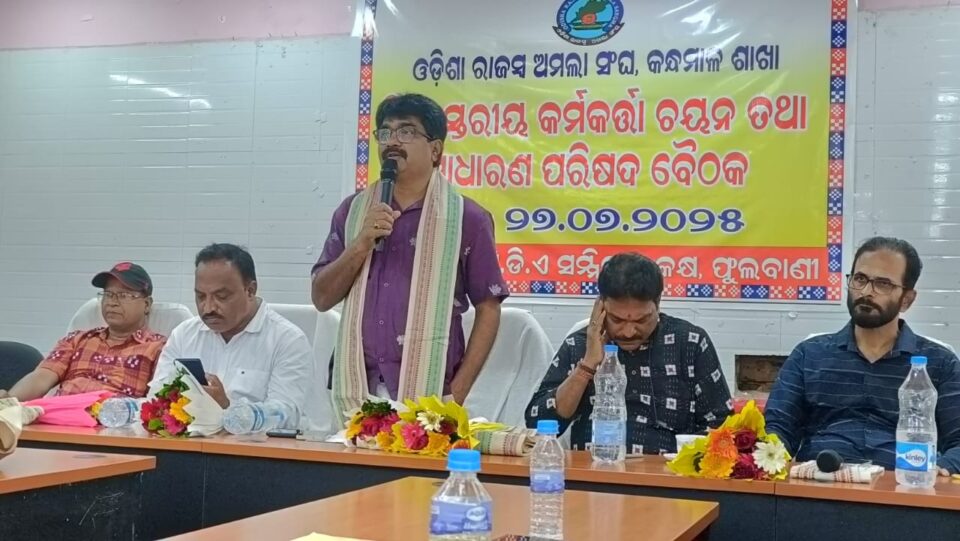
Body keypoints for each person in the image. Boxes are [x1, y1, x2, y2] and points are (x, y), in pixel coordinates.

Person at [311, 93, 508, 416]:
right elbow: (321, 298)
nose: (392, 141)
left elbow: (489, 308)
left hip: (432, 394)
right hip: (356, 388)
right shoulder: (353, 212)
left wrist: (456, 394)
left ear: (436, 150)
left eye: (406, 131)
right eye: (385, 132)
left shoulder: (468, 218)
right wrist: (361, 243)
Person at [766, 236, 960, 473]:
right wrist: (770, 457)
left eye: (883, 284)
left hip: (904, 487)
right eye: (860, 279)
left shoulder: (939, 363)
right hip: (820, 483)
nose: (867, 292)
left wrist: (942, 470)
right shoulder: (810, 355)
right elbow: (777, 428)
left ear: (907, 300)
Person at [525, 253, 733, 454]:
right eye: (617, 320)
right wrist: (587, 366)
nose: (628, 332)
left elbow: (722, 425)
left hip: (667, 472)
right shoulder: (580, 344)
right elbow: (537, 424)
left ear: (658, 303)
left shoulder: (690, 342)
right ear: (601, 306)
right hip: (595, 469)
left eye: (641, 320)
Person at [149, 244, 311, 429]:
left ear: (250, 291)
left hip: (255, 446)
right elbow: (156, 398)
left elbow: (286, 415)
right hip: (189, 441)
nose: (208, 308)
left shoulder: (287, 340)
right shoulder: (184, 334)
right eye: (201, 297)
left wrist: (227, 408)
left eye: (221, 296)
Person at [0, 262, 165, 401]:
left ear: (147, 304)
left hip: (113, 424)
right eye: (108, 294)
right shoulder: (78, 339)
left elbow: (159, 400)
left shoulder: (158, 348)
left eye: (123, 295)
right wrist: (9, 401)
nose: (112, 302)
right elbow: (42, 376)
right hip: (60, 418)